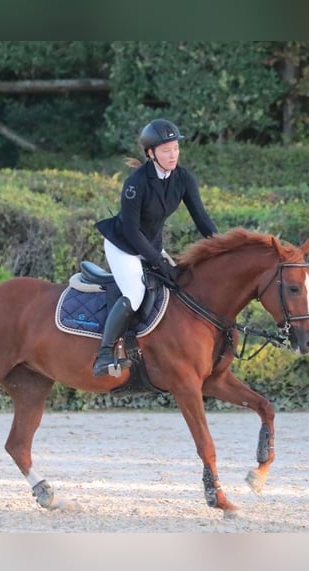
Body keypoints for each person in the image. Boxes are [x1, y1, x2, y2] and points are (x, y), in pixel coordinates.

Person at [92, 118, 219, 377]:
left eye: (175, 148)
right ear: (151, 153)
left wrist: (223, 248)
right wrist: (158, 261)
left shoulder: (183, 178)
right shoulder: (136, 182)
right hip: (123, 245)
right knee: (135, 292)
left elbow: (202, 220)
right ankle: (104, 354)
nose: (172, 155)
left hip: (150, 244)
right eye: (165, 150)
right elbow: (130, 229)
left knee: (181, 284)